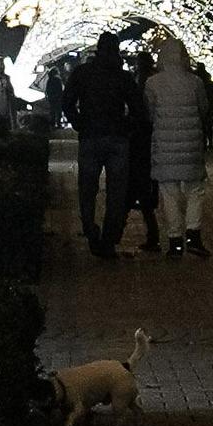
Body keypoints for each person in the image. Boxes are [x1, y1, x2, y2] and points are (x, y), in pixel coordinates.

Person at [63, 29, 139, 256]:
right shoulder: (123, 76)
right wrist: (127, 126)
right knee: (116, 192)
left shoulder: (83, 73)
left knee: (87, 190)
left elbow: (67, 102)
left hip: (90, 136)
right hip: (117, 138)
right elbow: (137, 108)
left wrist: (78, 122)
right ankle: (109, 238)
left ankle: (91, 231)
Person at [142, 32, 213, 258]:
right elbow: (204, 109)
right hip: (191, 144)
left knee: (169, 191)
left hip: (164, 144)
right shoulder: (195, 82)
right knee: (195, 190)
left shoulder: (152, 83)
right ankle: (193, 234)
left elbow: (149, 114)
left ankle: (175, 241)